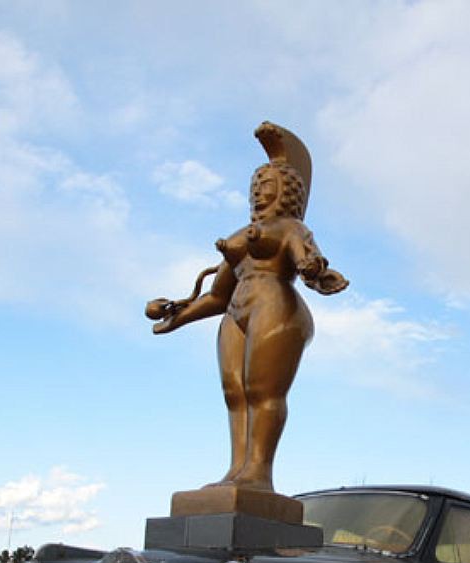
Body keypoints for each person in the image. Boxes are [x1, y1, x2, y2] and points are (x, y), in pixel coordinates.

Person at [147, 122, 348, 493]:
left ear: (286, 192)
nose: (259, 194)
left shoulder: (291, 229)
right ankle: (237, 470)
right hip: (235, 314)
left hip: (275, 305)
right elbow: (218, 295)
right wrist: (178, 318)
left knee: (263, 391)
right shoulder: (240, 235)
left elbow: (310, 260)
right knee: (234, 393)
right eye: (255, 188)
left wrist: (311, 266)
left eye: (267, 187)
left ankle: (259, 472)